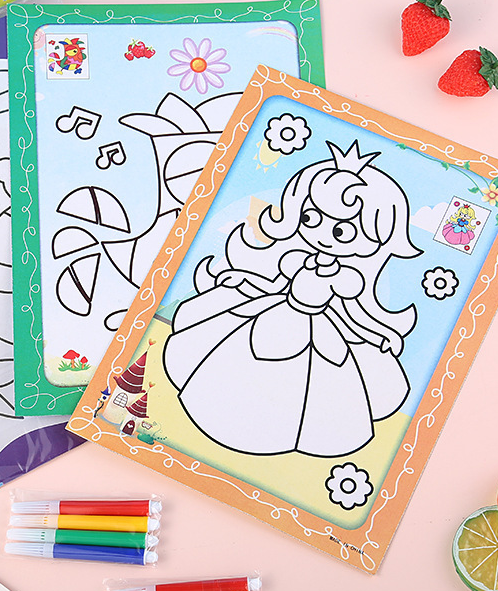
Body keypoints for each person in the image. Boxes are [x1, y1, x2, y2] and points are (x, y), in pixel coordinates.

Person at [163, 140, 420, 457]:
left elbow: (348, 316)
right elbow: (274, 286)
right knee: (238, 362)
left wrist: (378, 334)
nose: (322, 234)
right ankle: (222, 411)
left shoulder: (345, 279)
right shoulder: (297, 259)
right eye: (310, 218)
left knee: (300, 387)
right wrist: (243, 279)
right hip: (273, 313)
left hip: (317, 332)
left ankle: (268, 431)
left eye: (342, 231)